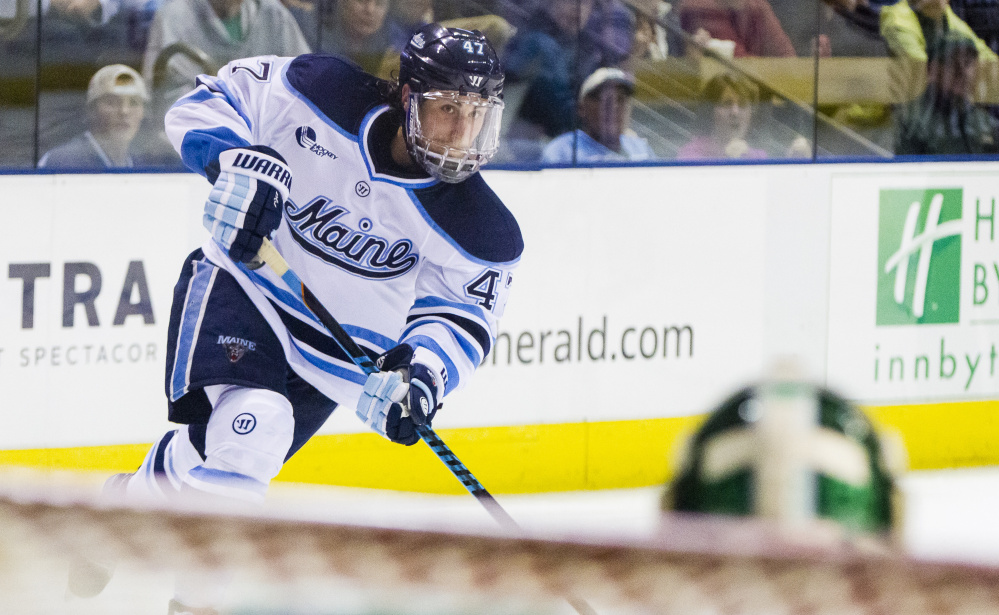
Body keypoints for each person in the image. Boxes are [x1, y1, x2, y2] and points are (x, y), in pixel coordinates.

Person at [69, 23, 521, 614]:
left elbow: (459, 317)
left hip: (332, 360)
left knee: (223, 451)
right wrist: (235, 162)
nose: (462, 132)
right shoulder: (320, 91)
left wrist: (420, 376)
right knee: (254, 426)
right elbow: (206, 102)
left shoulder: (484, 227)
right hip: (245, 288)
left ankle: (118, 509)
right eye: (447, 109)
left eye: (476, 113)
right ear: (408, 97)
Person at [500, 0, 635, 159]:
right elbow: (563, 118)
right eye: (568, 1)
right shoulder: (538, 43)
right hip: (526, 146)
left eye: (584, 3)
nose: (576, 9)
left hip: (570, 139)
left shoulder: (587, 46)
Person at [141, 0, 311, 112]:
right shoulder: (174, 15)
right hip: (197, 138)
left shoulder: (273, 14)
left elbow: (305, 80)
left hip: (267, 135)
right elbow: (163, 94)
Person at [895, 32, 999, 153]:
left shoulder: (985, 122)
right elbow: (906, 169)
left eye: (968, 62)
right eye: (952, 63)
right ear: (932, 71)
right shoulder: (912, 120)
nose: (963, 72)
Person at [677, 71, 810, 160]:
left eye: (742, 105)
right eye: (727, 104)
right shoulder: (689, 156)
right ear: (711, 111)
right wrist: (727, 160)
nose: (735, 112)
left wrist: (797, 163)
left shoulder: (758, 157)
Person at [39, 64, 149, 169]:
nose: (124, 111)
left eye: (134, 102)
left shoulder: (142, 164)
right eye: (112, 102)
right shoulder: (61, 162)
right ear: (91, 110)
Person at [541, 67, 656, 162]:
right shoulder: (561, 152)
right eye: (604, 99)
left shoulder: (641, 150)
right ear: (582, 108)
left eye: (621, 99)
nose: (614, 107)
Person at [674, 0, 797, 57]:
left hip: (759, 98)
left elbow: (787, 59)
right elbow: (738, 63)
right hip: (720, 101)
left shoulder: (757, 6)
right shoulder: (697, 6)